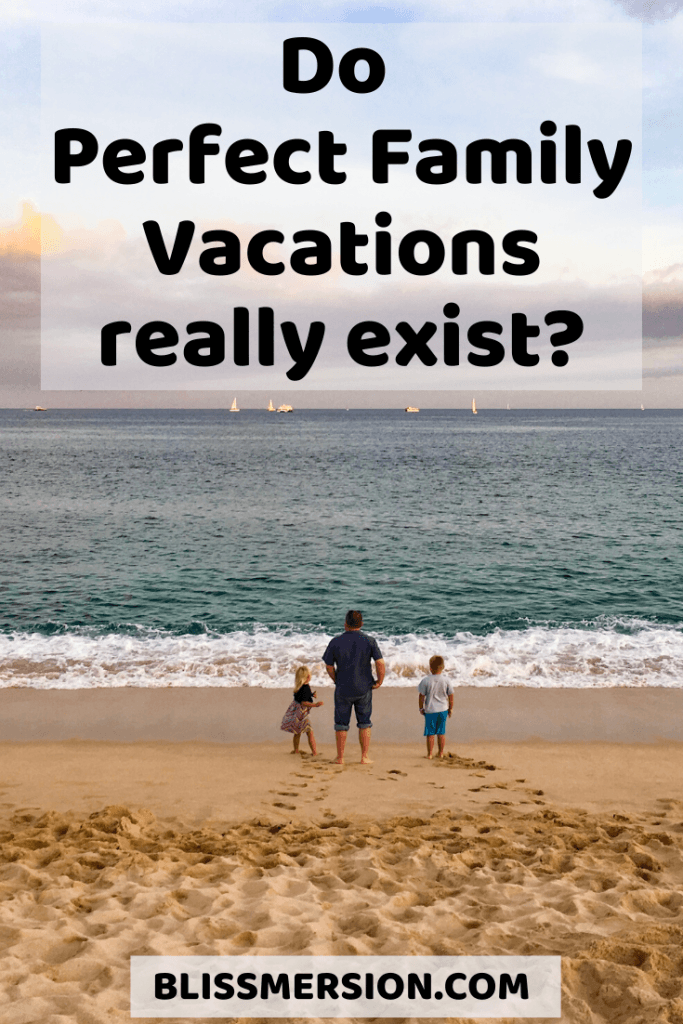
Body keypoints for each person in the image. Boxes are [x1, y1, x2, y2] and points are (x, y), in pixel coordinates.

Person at [322, 610, 385, 765]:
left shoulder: (336, 641)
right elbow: (380, 663)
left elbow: (329, 665)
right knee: (364, 722)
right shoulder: (369, 641)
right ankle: (364, 757)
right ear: (361, 624)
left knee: (341, 723)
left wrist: (336, 679)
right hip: (364, 687)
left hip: (343, 687)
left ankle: (340, 757)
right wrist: (379, 680)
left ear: (345, 624)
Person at [280, 665, 323, 755]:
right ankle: (314, 752)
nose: (309, 677)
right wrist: (315, 705)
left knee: (297, 732)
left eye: (309, 675)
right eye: (307, 676)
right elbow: (304, 702)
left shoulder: (300, 687)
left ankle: (296, 750)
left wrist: (311, 695)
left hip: (296, 713)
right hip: (302, 714)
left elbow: (303, 697)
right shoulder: (305, 688)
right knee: (309, 731)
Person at [418, 655, 454, 759]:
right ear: (443, 667)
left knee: (430, 733)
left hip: (430, 710)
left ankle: (429, 754)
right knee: (441, 732)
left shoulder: (426, 681)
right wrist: (450, 708)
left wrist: (421, 707)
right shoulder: (446, 680)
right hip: (443, 709)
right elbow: (451, 695)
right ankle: (441, 753)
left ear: (430, 668)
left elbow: (421, 696)